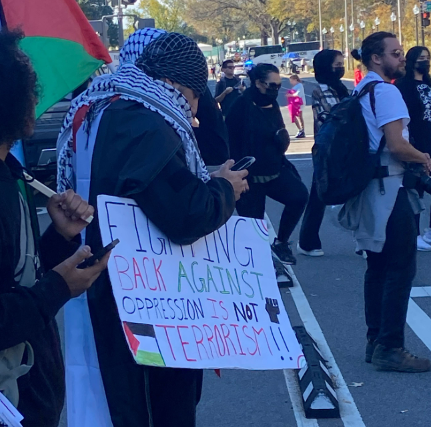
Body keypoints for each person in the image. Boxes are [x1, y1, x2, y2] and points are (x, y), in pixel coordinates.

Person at [57, 30, 249, 427]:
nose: (193, 113)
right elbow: (183, 215)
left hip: (104, 281)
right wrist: (223, 190)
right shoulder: (144, 119)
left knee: (113, 401)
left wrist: (203, 181)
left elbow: (148, 186)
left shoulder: (99, 106)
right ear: (179, 83)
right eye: (195, 97)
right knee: (156, 407)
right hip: (146, 301)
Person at [0, 30, 109, 427]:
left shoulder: (13, 177)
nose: (38, 101)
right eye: (32, 90)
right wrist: (60, 288)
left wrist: (59, 236)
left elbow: (15, 277)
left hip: (33, 397)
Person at [345, 33, 431, 372]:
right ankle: (391, 346)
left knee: (377, 265)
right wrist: (423, 156)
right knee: (401, 266)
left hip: (369, 187)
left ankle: (375, 340)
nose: (403, 59)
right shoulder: (387, 91)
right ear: (376, 58)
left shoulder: (361, 89)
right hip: (391, 187)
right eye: (396, 54)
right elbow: (396, 145)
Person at [226, 64, 309, 266]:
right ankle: (260, 269)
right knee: (254, 229)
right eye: (272, 85)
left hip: (274, 170)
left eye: (278, 85)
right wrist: (235, 174)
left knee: (299, 196)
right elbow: (229, 142)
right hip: (249, 177)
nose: (275, 90)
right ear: (258, 83)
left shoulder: (272, 106)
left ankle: (281, 243)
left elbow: (278, 133)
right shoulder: (241, 106)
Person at [298, 50, 349, 257]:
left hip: (348, 145)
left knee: (357, 189)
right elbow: (334, 113)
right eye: (337, 64)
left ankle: (363, 239)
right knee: (320, 193)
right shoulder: (320, 89)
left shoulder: (343, 88)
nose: (340, 67)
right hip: (327, 149)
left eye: (341, 64)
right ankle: (307, 241)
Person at [396, 46, 432, 251]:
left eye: (427, 58)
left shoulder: (428, 83)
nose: (425, 62)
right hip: (415, 142)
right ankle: (414, 232)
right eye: (421, 58)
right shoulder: (403, 86)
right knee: (416, 187)